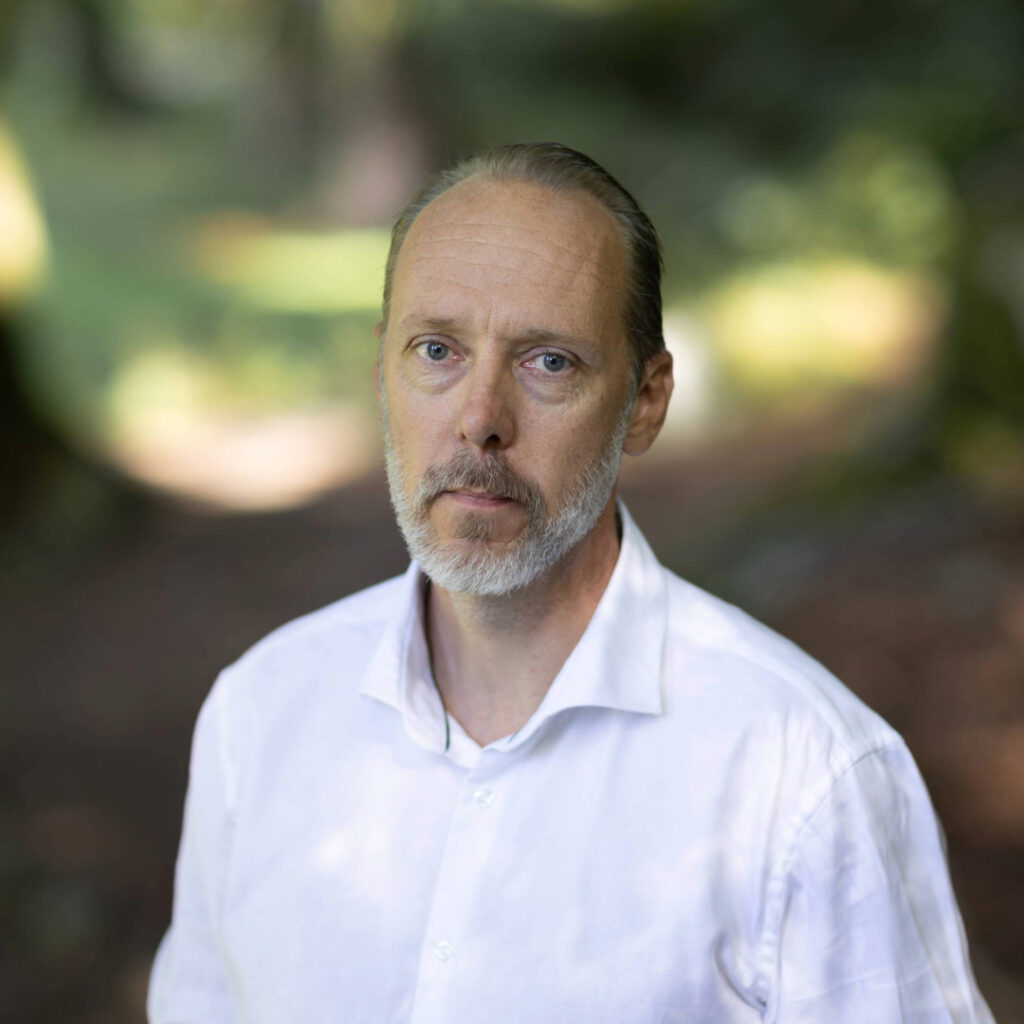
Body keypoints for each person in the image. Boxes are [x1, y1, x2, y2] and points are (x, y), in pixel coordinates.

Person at [148, 143, 994, 1023]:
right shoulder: (259, 714)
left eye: (547, 362)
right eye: (436, 350)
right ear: (380, 371)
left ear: (646, 401)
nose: (480, 420)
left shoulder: (804, 772)